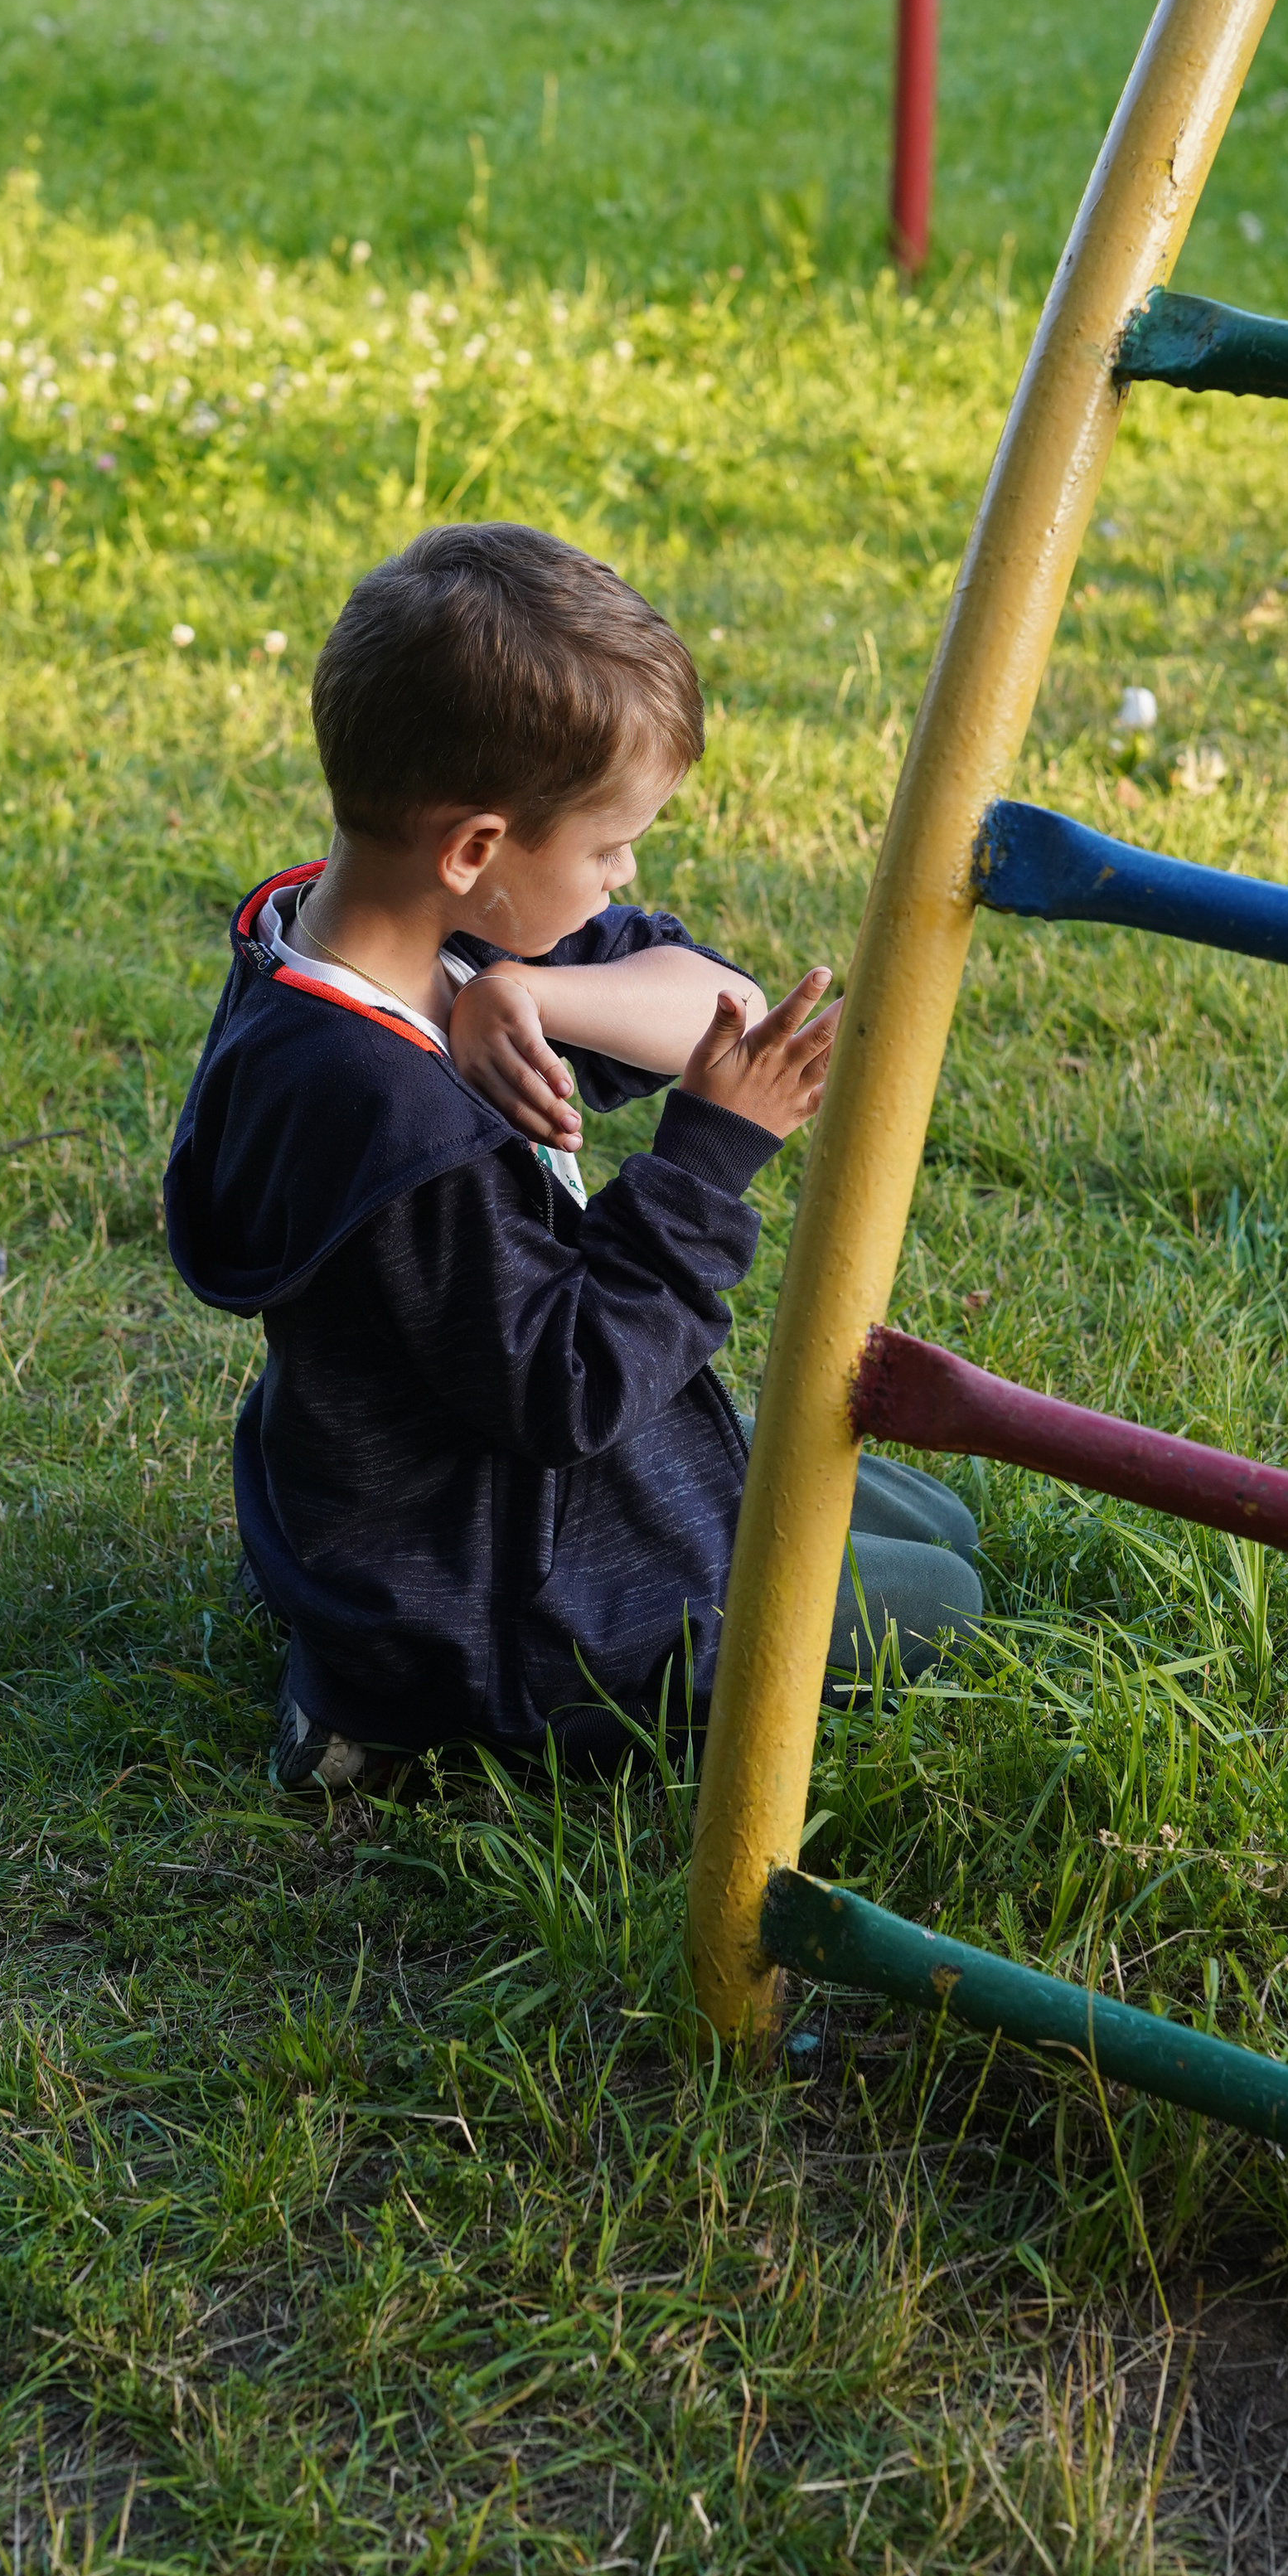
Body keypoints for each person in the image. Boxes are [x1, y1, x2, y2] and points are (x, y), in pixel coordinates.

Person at [163, 522, 982, 1790]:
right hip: (494, 1597)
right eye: (607, 849)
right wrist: (709, 1156)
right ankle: (388, 1715)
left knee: (930, 1517)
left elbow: (715, 994)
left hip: (436, 1495)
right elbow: (567, 1387)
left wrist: (534, 991)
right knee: (944, 1597)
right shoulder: (394, 1117)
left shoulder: (353, 945)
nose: (626, 875)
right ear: (479, 850)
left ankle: (368, 1645)